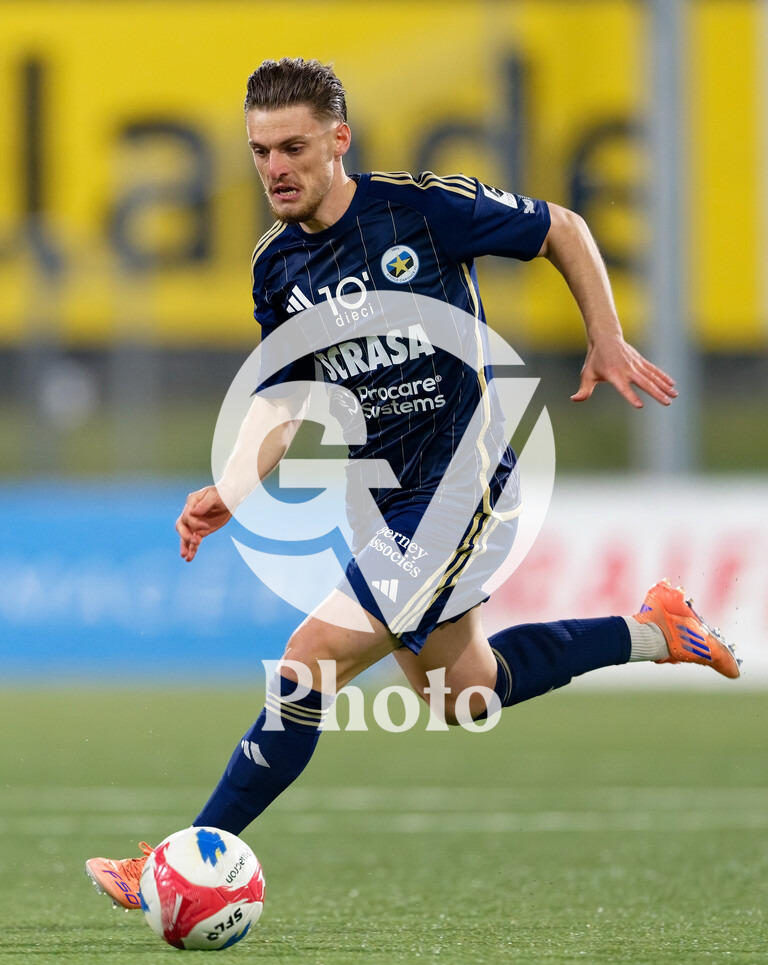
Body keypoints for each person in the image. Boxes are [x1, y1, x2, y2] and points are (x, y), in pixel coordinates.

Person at [86, 58, 740, 910]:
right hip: (386, 500)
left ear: (338, 141)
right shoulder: (277, 264)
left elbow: (564, 228)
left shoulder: (421, 210)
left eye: (292, 147)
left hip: (465, 486)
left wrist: (605, 337)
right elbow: (288, 393)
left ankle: (175, 866)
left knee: (307, 663)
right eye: (259, 152)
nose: (275, 168)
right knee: (462, 694)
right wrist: (235, 485)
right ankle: (654, 630)